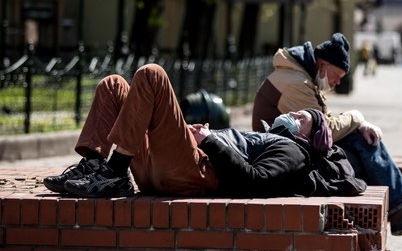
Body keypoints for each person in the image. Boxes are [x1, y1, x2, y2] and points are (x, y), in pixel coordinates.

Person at [43, 63, 366, 199]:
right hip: (170, 165)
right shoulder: (263, 136)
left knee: (152, 74)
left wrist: (210, 141)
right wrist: (204, 134)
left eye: (305, 117)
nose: (295, 114)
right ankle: (97, 166)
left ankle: (114, 172)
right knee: (114, 84)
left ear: (311, 136)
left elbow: (254, 181)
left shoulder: (295, 151)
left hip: (194, 173)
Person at [252, 33, 402, 236]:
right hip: (282, 163)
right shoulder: (295, 84)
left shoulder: (301, 78)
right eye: (337, 75)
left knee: (362, 149)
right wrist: (357, 118)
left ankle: (394, 215)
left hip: (293, 152)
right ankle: (398, 213)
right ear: (322, 65)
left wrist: (359, 126)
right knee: (364, 153)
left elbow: (322, 126)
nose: (337, 82)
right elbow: (324, 130)